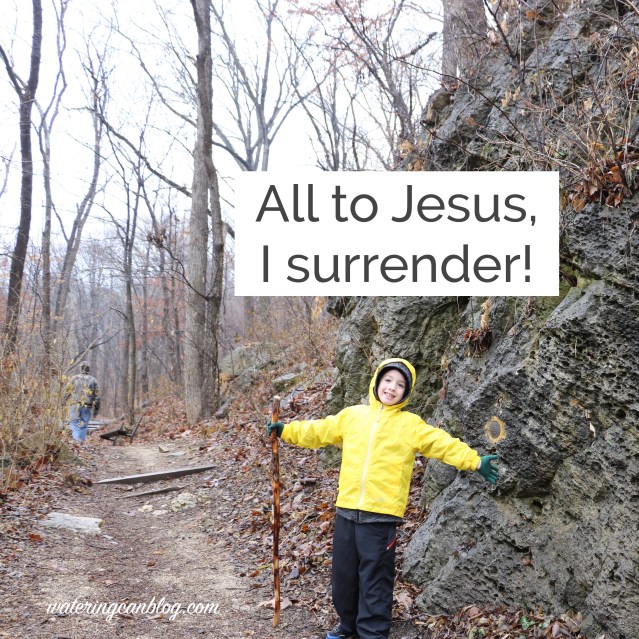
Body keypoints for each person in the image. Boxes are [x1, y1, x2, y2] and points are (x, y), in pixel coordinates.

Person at [267, 358, 498, 639]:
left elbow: (442, 444)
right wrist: (286, 431)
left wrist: (475, 461)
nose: (392, 388)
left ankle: (372, 633)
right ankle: (348, 627)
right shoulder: (353, 416)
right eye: (387, 380)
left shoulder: (410, 425)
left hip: (381, 517)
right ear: (376, 382)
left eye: (400, 385)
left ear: (406, 392)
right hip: (346, 511)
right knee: (344, 578)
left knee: (375, 579)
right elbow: (319, 431)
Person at [66, 361, 100, 442]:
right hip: (87, 406)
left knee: (74, 423)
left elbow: (67, 391)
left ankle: (76, 441)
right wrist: (96, 409)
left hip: (74, 404)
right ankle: (80, 442)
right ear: (89, 369)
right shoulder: (93, 380)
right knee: (84, 424)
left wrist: (63, 401)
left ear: (81, 368)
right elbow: (97, 396)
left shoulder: (74, 378)